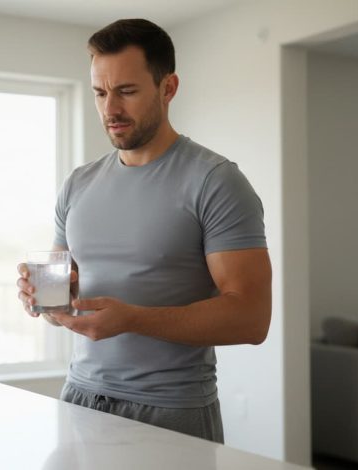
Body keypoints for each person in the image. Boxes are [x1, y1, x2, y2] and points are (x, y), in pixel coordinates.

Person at [16, 18, 271, 444]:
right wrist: (44, 299)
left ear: (168, 88)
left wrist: (133, 319)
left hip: (170, 409)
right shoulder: (78, 184)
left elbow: (252, 318)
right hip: (78, 396)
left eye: (127, 91)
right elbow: (63, 300)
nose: (110, 109)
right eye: (100, 93)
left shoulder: (216, 181)